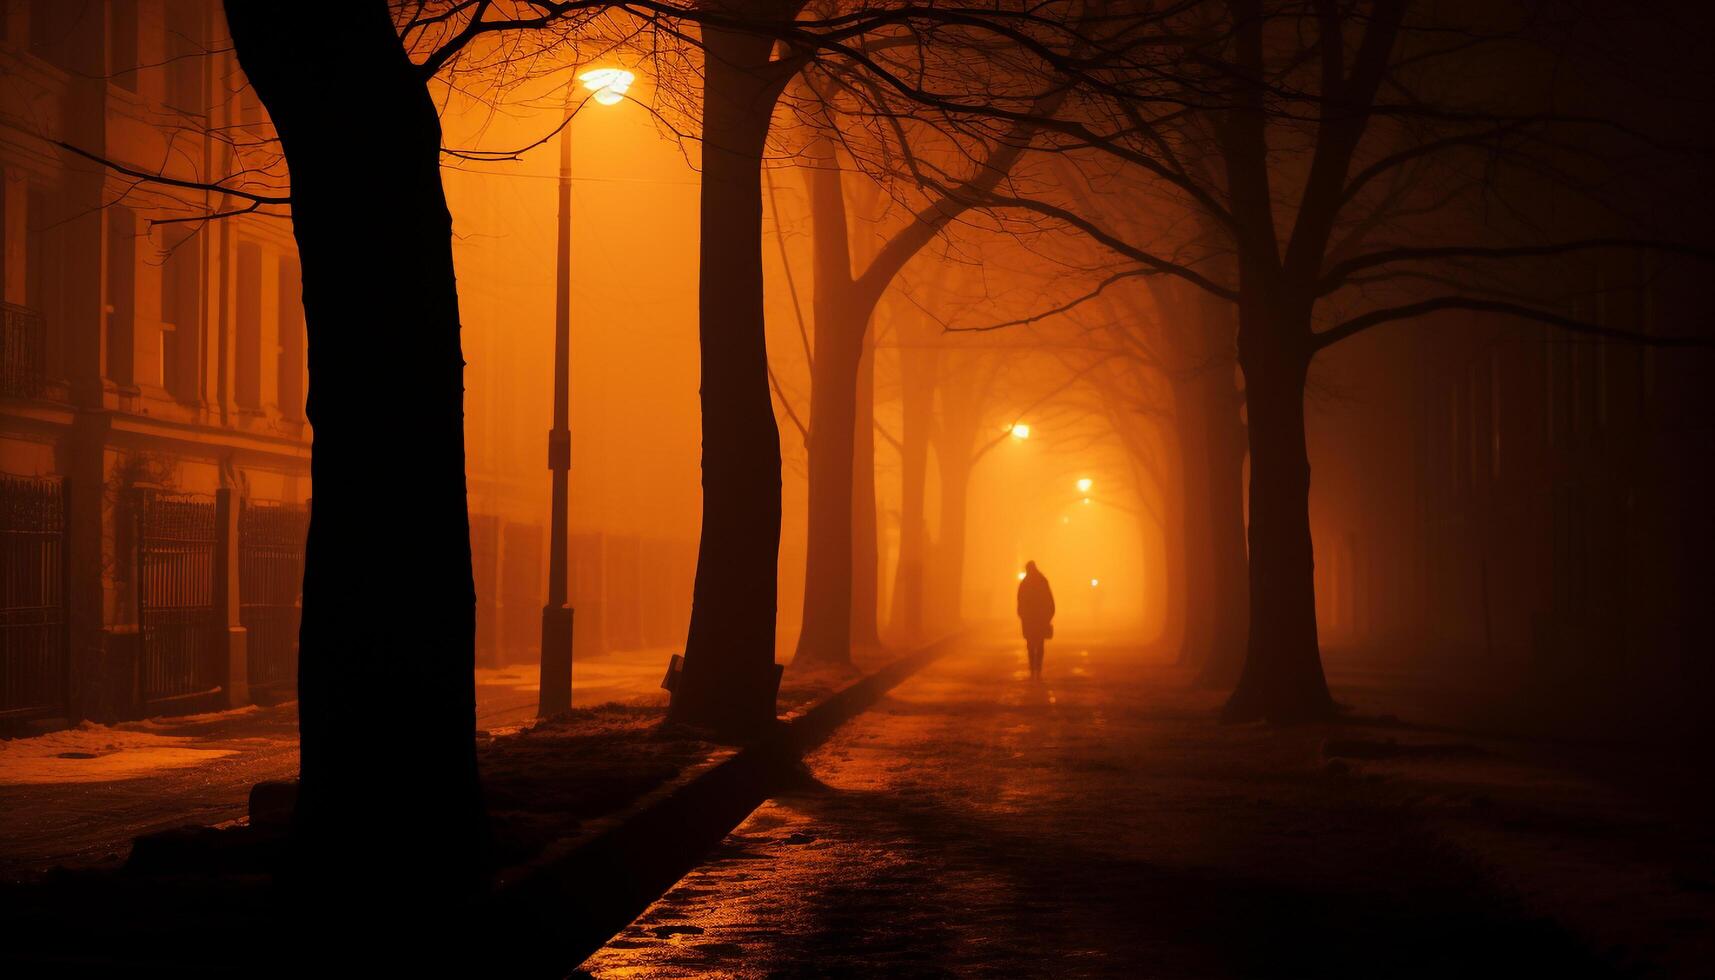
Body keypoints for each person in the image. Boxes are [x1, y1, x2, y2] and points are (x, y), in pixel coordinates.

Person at [1016, 561, 1056, 680]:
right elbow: (1050, 601)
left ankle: (1032, 668)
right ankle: (1038, 668)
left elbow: (1020, 601)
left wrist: (1022, 615)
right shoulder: (1042, 581)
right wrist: (1048, 616)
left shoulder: (1024, 583)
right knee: (1040, 644)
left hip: (1029, 620)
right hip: (1041, 619)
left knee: (1030, 645)